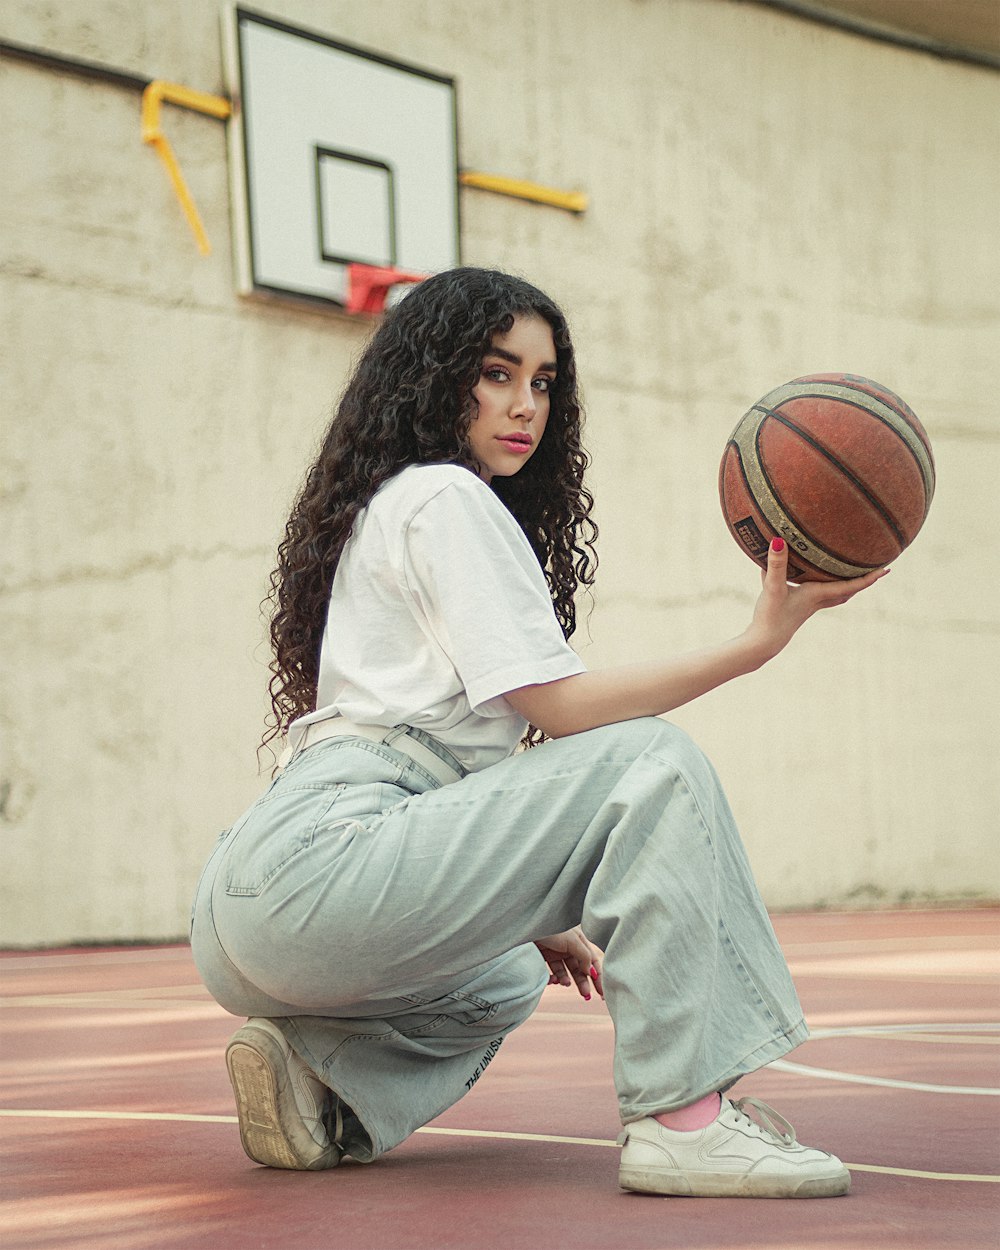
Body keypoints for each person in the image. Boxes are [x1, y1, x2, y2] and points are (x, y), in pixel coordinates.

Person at [191, 267, 886, 1198]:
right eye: (496, 373)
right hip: (331, 855)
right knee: (654, 762)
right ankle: (685, 1120)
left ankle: (318, 1075)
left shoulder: (387, 505)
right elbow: (560, 711)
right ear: (438, 378)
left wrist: (530, 903)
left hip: (258, 898)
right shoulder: (446, 496)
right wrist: (755, 644)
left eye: (545, 381)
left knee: (510, 976)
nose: (526, 405)